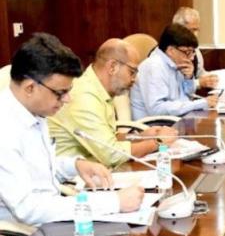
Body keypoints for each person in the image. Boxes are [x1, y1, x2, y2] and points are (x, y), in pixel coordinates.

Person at [0, 33, 145, 225]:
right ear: (30, 88)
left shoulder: (34, 111)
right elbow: (28, 209)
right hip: (26, 233)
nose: (67, 99)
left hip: (52, 215)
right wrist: (113, 202)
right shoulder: (5, 129)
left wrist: (75, 165)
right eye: (60, 93)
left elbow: (36, 169)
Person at [49, 39, 178, 166]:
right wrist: (157, 142)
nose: (135, 79)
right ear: (112, 67)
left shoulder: (99, 88)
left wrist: (140, 137)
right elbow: (112, 155)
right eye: (132, 72)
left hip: (95, 169)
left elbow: (109, 139)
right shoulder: (84, 97)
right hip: (74, 176)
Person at [130, 23, 219, 119]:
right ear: (171, 50)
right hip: (155, 124)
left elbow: (185, 97)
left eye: (193, 52)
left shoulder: (176, 63)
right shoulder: (154, 67)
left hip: (174, 119)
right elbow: (157, 110)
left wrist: (188, 78)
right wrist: (198, 104)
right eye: (188, 52)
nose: (192, 58)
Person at [172, 7, 218, 89]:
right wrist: (198, 83)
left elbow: (199, 73)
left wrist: (212, 78)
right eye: (191, 30)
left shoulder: (195, 50)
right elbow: (174, 88)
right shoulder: (167, 53)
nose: (195, 35)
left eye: (196, 30)